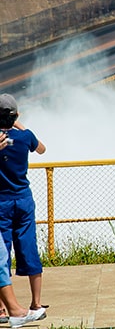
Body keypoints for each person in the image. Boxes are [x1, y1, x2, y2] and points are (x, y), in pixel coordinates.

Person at [0, 95, 47, 327]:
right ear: (15, 116)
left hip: (1, 202)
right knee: (28, 248)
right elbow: (42, 149)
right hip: (24, 199)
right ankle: (36, 304)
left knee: (2, 254)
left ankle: (1, 308)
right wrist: (21, 125)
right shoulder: (24, 137)